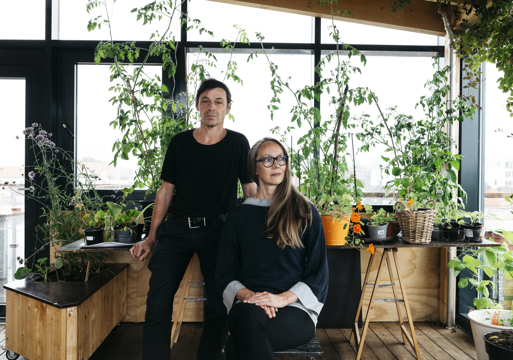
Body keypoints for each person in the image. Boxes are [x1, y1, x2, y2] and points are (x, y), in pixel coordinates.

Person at [130, 78, 257, 360]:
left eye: (218, 102)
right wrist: (151, 237)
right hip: (176, 230)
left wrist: (251, 236)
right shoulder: (180, 143)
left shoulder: (238, 143)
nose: (212, 107)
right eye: (206, 101)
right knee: (157, 303)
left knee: (217, 306)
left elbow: (250, 191)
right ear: (198, 106)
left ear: (228, 108)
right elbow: (165, 192)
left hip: (219, 231)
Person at [216, 137, 329, 360]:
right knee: (248, 321)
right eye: (267, 159)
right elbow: (223, 273)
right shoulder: (238, 216)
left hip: (295, 308)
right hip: (248, 305)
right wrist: (254, 297)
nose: (276, 164)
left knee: (238, 343)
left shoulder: (305, 211)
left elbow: (319, 274)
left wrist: (280, 299)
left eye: (281, 159)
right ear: (254, 169)